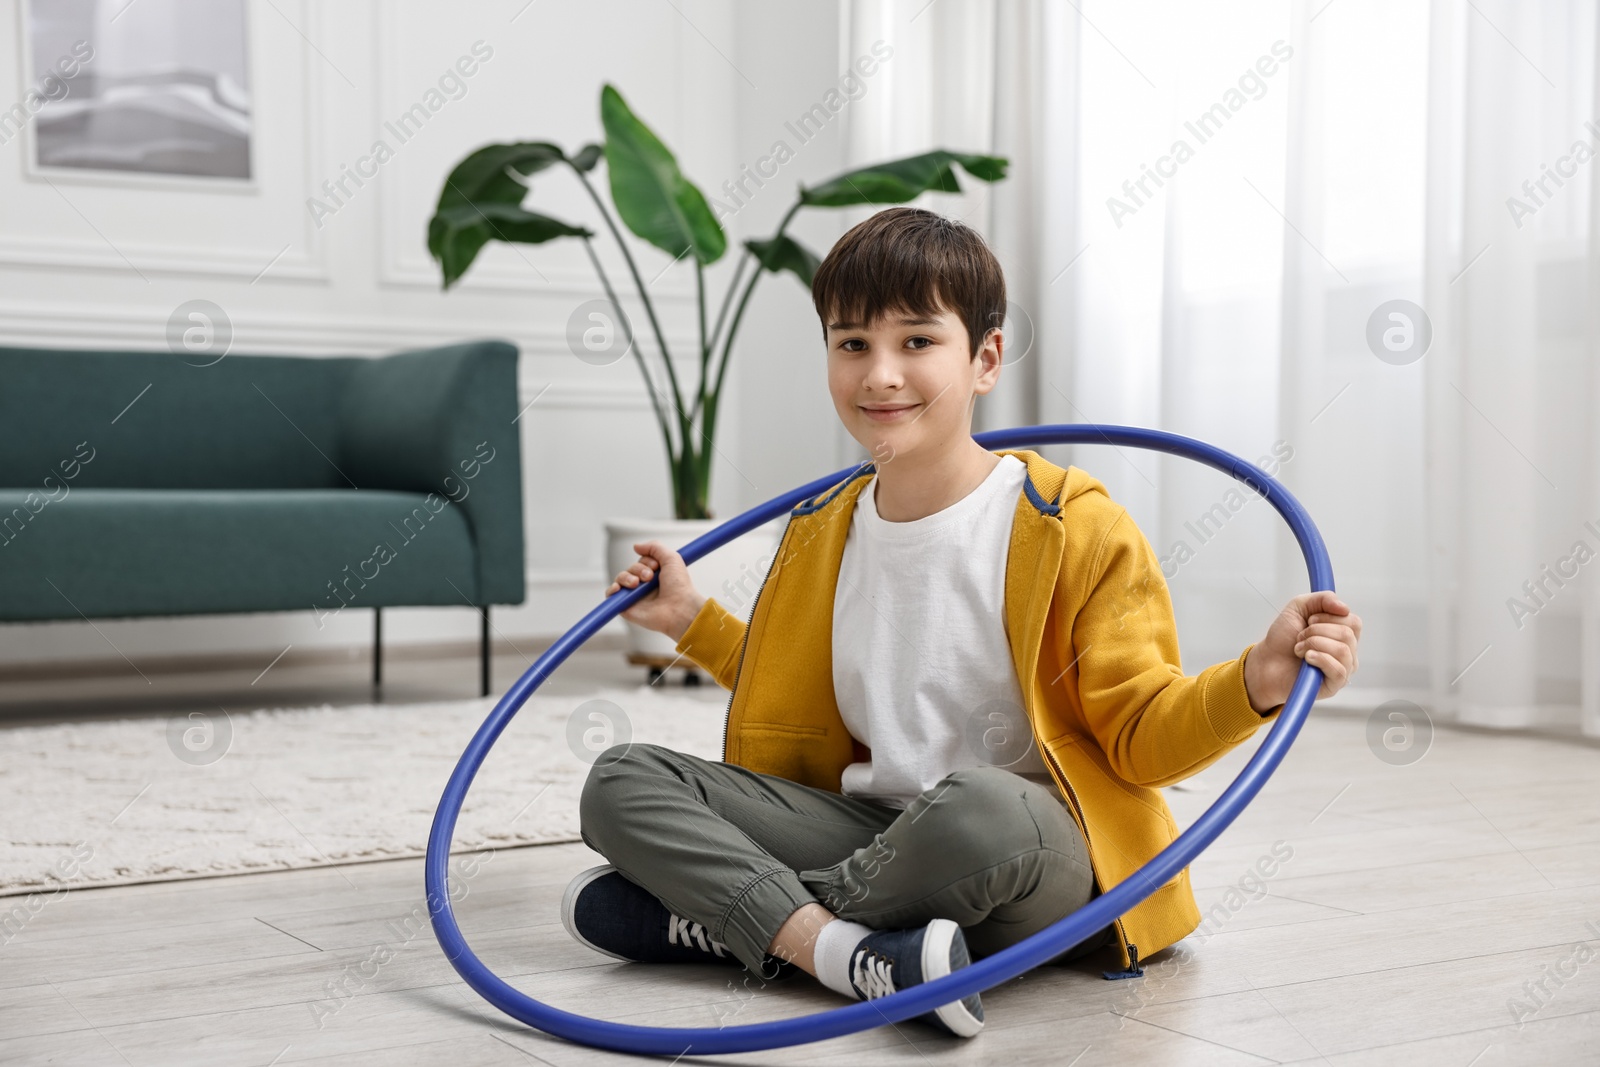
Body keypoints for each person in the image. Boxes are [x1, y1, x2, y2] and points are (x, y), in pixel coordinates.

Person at [562, 206, 1362, 1038]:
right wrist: (690, 619)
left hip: (1027, 846)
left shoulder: (1074, 525)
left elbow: (1139, 735)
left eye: (916, 342)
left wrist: (1257, 681)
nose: (880, 375)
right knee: (621, 777)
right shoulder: (819, 529)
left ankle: (737, 919)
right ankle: (852, 952)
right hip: (870, 827)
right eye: (851, 344)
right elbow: (792, 684)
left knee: (983, 806)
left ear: (984, 358)